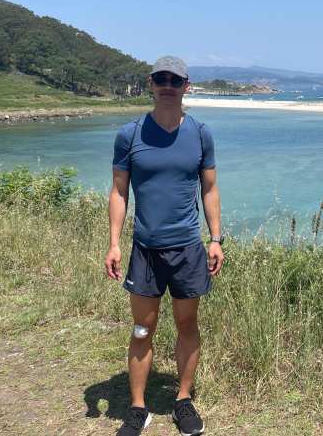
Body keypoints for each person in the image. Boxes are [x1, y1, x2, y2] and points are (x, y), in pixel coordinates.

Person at [105, 55, 224, 436]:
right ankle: (138, 408)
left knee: (187, 324)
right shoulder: (130, 134)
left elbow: (209, 188)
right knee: (143, 327)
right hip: (145, 249)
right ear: (151, 84)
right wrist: (114, 243)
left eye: (176, 80)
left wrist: (216, 238)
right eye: (162, 79)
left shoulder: (201, 133)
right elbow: (119, 191)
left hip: (188, 248)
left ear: (187, 86)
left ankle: (183, 400)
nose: (168, 86)